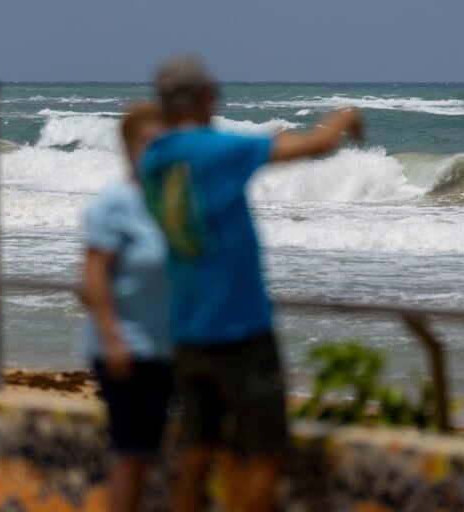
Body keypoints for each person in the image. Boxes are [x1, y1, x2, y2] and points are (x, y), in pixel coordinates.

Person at [140, 57, 364, 512]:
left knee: (197, 451)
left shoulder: (154, 160)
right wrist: (344, 116)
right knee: (265, 454)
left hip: (186, 330)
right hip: (238, 328)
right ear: (204, 97)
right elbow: (318, 145)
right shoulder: (217, 151)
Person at [81, 101, 173, 512]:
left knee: (162, 452)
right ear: (128, 146)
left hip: (171, 346)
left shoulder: (173, 202)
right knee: (133, 455)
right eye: (148, 142)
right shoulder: (116, 203)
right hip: (126, 349)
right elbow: (94, 275)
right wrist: (113, 338)